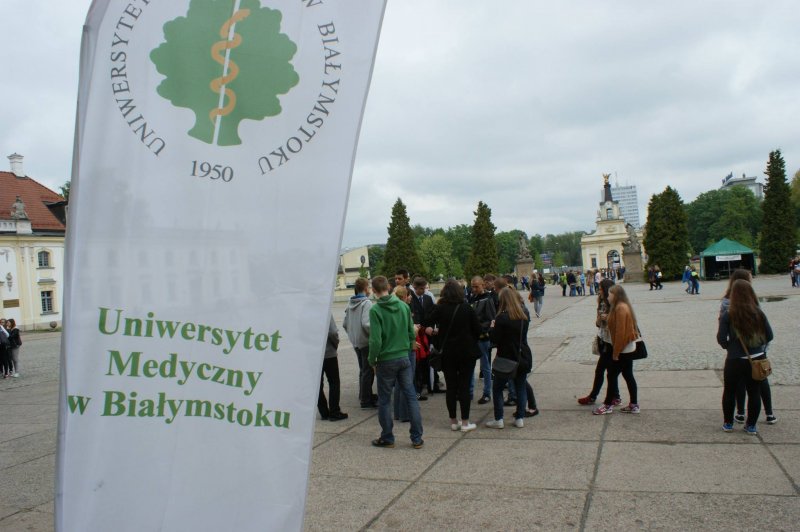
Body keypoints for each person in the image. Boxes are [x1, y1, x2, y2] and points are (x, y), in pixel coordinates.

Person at [368, 276, 424, 449]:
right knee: (410, 396)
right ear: (389, 287)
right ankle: (417, 438)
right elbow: (411, 332)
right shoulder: (403, 306)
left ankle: (387, 437)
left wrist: (372, 359)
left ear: (374, 290)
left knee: (385, 400)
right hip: (403, 356)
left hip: (386, 359)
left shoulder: (376, 310)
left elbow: (375, 340)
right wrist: (409, 344)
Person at [719, 273, 777, 426]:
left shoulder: (728, 314)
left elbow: (721, 338)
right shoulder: (758, 312)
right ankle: (751, 425)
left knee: (730, 391)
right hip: (757, 357)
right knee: (754, 392)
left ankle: (728, 423)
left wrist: (730, 347)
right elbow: (770, 335)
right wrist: (758, 345)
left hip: (735, 359)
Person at [427, 280, 481, 432]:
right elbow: (478, 330)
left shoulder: (440, 308)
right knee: (464, 386)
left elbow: (427, 321)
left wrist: (436, 331)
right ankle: (465, 422)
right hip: (466, 352)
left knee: (451, 387)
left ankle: (453, 420)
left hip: (447, 353)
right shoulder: (467, 308)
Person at [485, 288, 533, 429]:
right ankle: (519, 418)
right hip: (522, 355)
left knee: (498, 388)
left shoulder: (502, 318)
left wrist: (492, 328)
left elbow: (495, 339)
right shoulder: (524, 315)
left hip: (506, 357)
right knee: (520, 387)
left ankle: (499, 419)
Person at [593, 285, 640, 415]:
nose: (608, 297)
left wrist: (616, 353)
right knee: (628, 375)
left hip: (623, 349)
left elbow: (620, 333)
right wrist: (607, 318)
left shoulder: (620, 308)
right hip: (628, 348)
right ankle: (634, 404)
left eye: (610, 294)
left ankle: (608, 404)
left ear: (616, 295)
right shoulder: (622, 306)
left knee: (612, 375)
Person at [578, 279, 620, 406]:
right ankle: (615, 396)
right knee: (607, 371)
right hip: (603, 338)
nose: (599, 291)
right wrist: (599, 320)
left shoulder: (615, 304)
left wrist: (608, 318)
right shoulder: (601, 302)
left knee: (605, 371)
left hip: (611, 342)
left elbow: (619, 322)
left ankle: (596, 396)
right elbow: (598, 324)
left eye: (601, 289)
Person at [343, 278, 376, 409]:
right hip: (366, 342)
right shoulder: (366, 303)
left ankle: (363, 395)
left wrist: (353, 335)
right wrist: (374, 335)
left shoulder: (350, 302)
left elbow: (345, 324)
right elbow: (367, 324)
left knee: (363, 370)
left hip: (356, 342)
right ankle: (366, 401)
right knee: (368, 371)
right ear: (366, 288)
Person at [469, 276, 496, 405]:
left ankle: (487, 393)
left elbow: (491, 320)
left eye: (476, 286)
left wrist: (480, 329)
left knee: (485, 366)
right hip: (471, 338)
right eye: (472, 286)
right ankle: (469, 392)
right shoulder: (471, 298)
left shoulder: (488, 299)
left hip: (482, 337)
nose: (474, 289)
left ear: (483, 285)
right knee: (470, 365)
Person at [318, 316, 348, 421]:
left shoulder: (304, 313)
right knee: (334, 382)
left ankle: (323, 412)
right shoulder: (325, 311)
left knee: (317, 385)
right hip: (328, 353)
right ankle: (334, 411)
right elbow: (333, 332)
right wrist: (335, 345)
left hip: (313, 355)